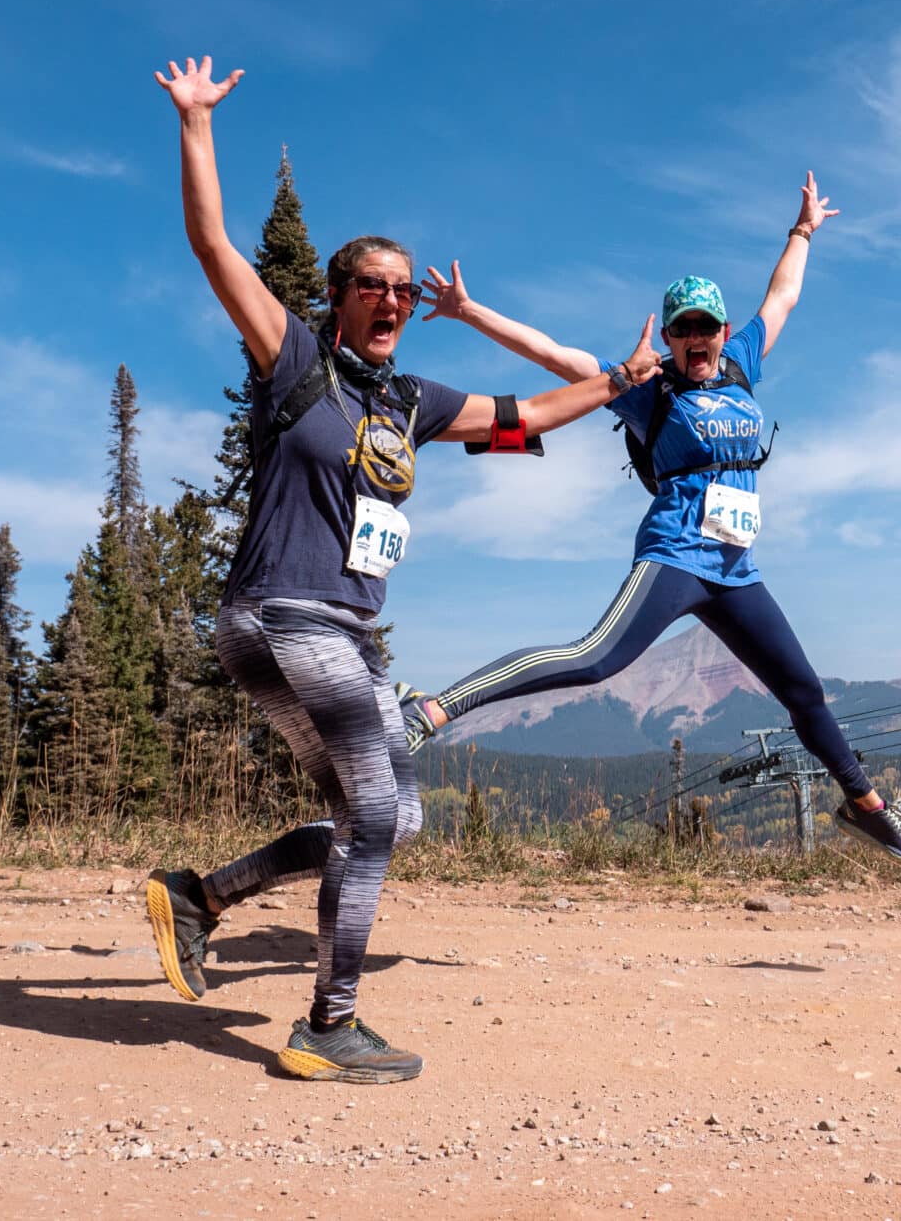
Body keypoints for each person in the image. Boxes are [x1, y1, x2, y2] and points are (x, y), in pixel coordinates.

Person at [140, 57, 660, 1084]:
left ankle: (200, 898)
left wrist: (618, 381)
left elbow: (525, 415)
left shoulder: (409, 399)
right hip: (283, 615)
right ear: (335, 299)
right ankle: (328, 1026)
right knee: (373, 812)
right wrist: (197, 125)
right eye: (368, 286)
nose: (387, 298)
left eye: (399, 289)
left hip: (343, 635)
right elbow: (210, 245)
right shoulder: (294, 361)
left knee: (388, 813)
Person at [398, 173, 901, 863]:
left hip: (737, 568)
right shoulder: (649, 390)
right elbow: (554, 354)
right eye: (683, 328)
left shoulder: (742, 364)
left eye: (706, 325)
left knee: (804, 691)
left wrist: (802, 233)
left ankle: (865, 806)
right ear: (670, 338)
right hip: (676, 556)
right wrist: (470, 313)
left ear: (723, 331)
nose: (696, 337)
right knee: (593, 661)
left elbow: (785, 295)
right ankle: (433, 708)